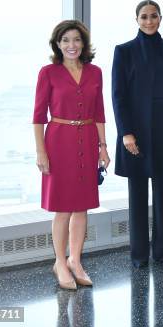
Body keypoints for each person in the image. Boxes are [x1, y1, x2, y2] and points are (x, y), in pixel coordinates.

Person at [33, 20, 110, 289]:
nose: (71, 45)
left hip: (87, 140)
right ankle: (59, 262)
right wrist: (41, 152)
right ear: (57, 44)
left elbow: (99, 112)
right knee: (63, 207)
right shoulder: (48, 73)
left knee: (82, 206)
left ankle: (75, 260)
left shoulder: (95, 72)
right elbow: (38, 117)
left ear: (83, 43)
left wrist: (103, 147)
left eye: (76, 40)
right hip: (58, 142)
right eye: (65, 40)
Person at [112, 0, 163, 266]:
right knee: (137, 196)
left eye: (153, 16)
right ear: (136, 20)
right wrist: (126, 133)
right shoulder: (124, 51)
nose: (149, 21)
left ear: (160, 18)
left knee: (162, 193)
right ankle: (139, 254)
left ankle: (162, 252)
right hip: (135, 133)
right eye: (144, 17)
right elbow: (118, 96)